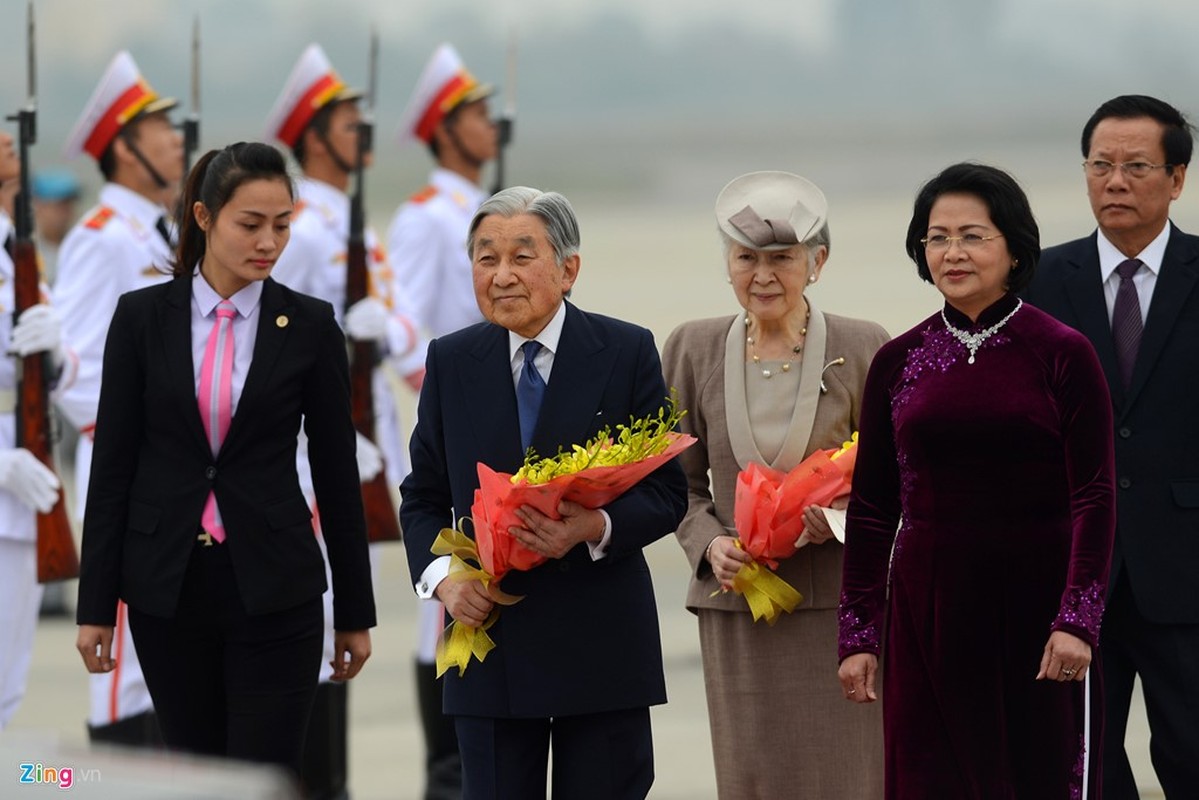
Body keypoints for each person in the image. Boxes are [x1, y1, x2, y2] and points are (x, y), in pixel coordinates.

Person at [74, 141, 375, 779]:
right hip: (168, 590)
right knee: (199, 778)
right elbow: (113, 469)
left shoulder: (311, 324)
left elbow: (336, 474)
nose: (268, 241)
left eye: (282, 225)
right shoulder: (140, 318)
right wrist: (96, 605)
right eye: (250, 224)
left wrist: (354, 613)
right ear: (204, 217)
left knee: (263, 780)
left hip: (277, 589)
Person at [837, 162, 1117, 798]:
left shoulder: (1062, 352)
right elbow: (874, 507)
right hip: (929, 611)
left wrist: (1078, 619)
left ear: (1014, 247)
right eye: (937, 237)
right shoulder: (897, 360)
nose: (952, 252)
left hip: (1040, 611)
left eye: (972, 235)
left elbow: (1094, 496)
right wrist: (858, 635)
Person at [400, 186, 688, 800]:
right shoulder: (452, 361)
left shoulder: (625, 350)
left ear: (568, 269)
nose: (501, 276)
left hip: (601, 642)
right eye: (485, 258)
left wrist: (589, 528)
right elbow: (422, 496)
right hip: (491, 639)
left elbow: (668, 491)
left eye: (520, 256)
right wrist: (445, 580)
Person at [660, 170, 887, 799]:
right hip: (740, 608)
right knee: (752, 778)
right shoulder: (691, 348)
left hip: (840, 607)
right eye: (746, 258)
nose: (763, 275)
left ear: (818, 261)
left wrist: (837, 517)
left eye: (782, 258)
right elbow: (674, 485)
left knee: (852, 776)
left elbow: (898, 482)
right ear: (727, 263)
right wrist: (708, 545)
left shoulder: (864, 345)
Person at [1023, 95, 1199, 798]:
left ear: (1176, 178)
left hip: (1184, 570)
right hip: (1070, 573)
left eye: (1134, 167)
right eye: (1100, 166)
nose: (1114, 182)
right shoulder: (1034, 281)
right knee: (1080, 765)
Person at [265, 43, 422, 799]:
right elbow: (273, 342)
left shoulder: (349, 222)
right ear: (313, 134)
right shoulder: (296, 226)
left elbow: (392, 324)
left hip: (362, 441)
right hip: (310, 451)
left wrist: (384, 335)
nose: (362, 134)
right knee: (317, 629)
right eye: (347, 123)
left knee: (339, 631)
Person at [53, 50, 182, 748]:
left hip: (169, 472)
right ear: (125, 149)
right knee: (122, 663)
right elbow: (68, 368)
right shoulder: (101, 240)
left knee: (159, 655)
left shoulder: (159, 232)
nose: (175, 139)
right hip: (128, 473)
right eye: (159, 129)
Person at [387, 42, 498, 799]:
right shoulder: (428, 219)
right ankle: (447, 774)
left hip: (509, 429)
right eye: (476, 115)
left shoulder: (488, 212)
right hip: (465, 426)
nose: (492, 126)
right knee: (452, 595)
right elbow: (402, 328)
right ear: (443, 128)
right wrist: (452, 403)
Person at [0, 123, 71, 731]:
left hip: (24, 497)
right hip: (6, 473)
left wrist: (58, 354)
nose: (5, 142)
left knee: (6, 688)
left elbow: (56, 373)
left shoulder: (18, 253)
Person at [32, 169, 81, 286]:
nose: (66, 212)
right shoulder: (27, 251)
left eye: (69, 204)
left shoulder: (81, 245)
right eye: (59, 205)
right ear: (39, 206)